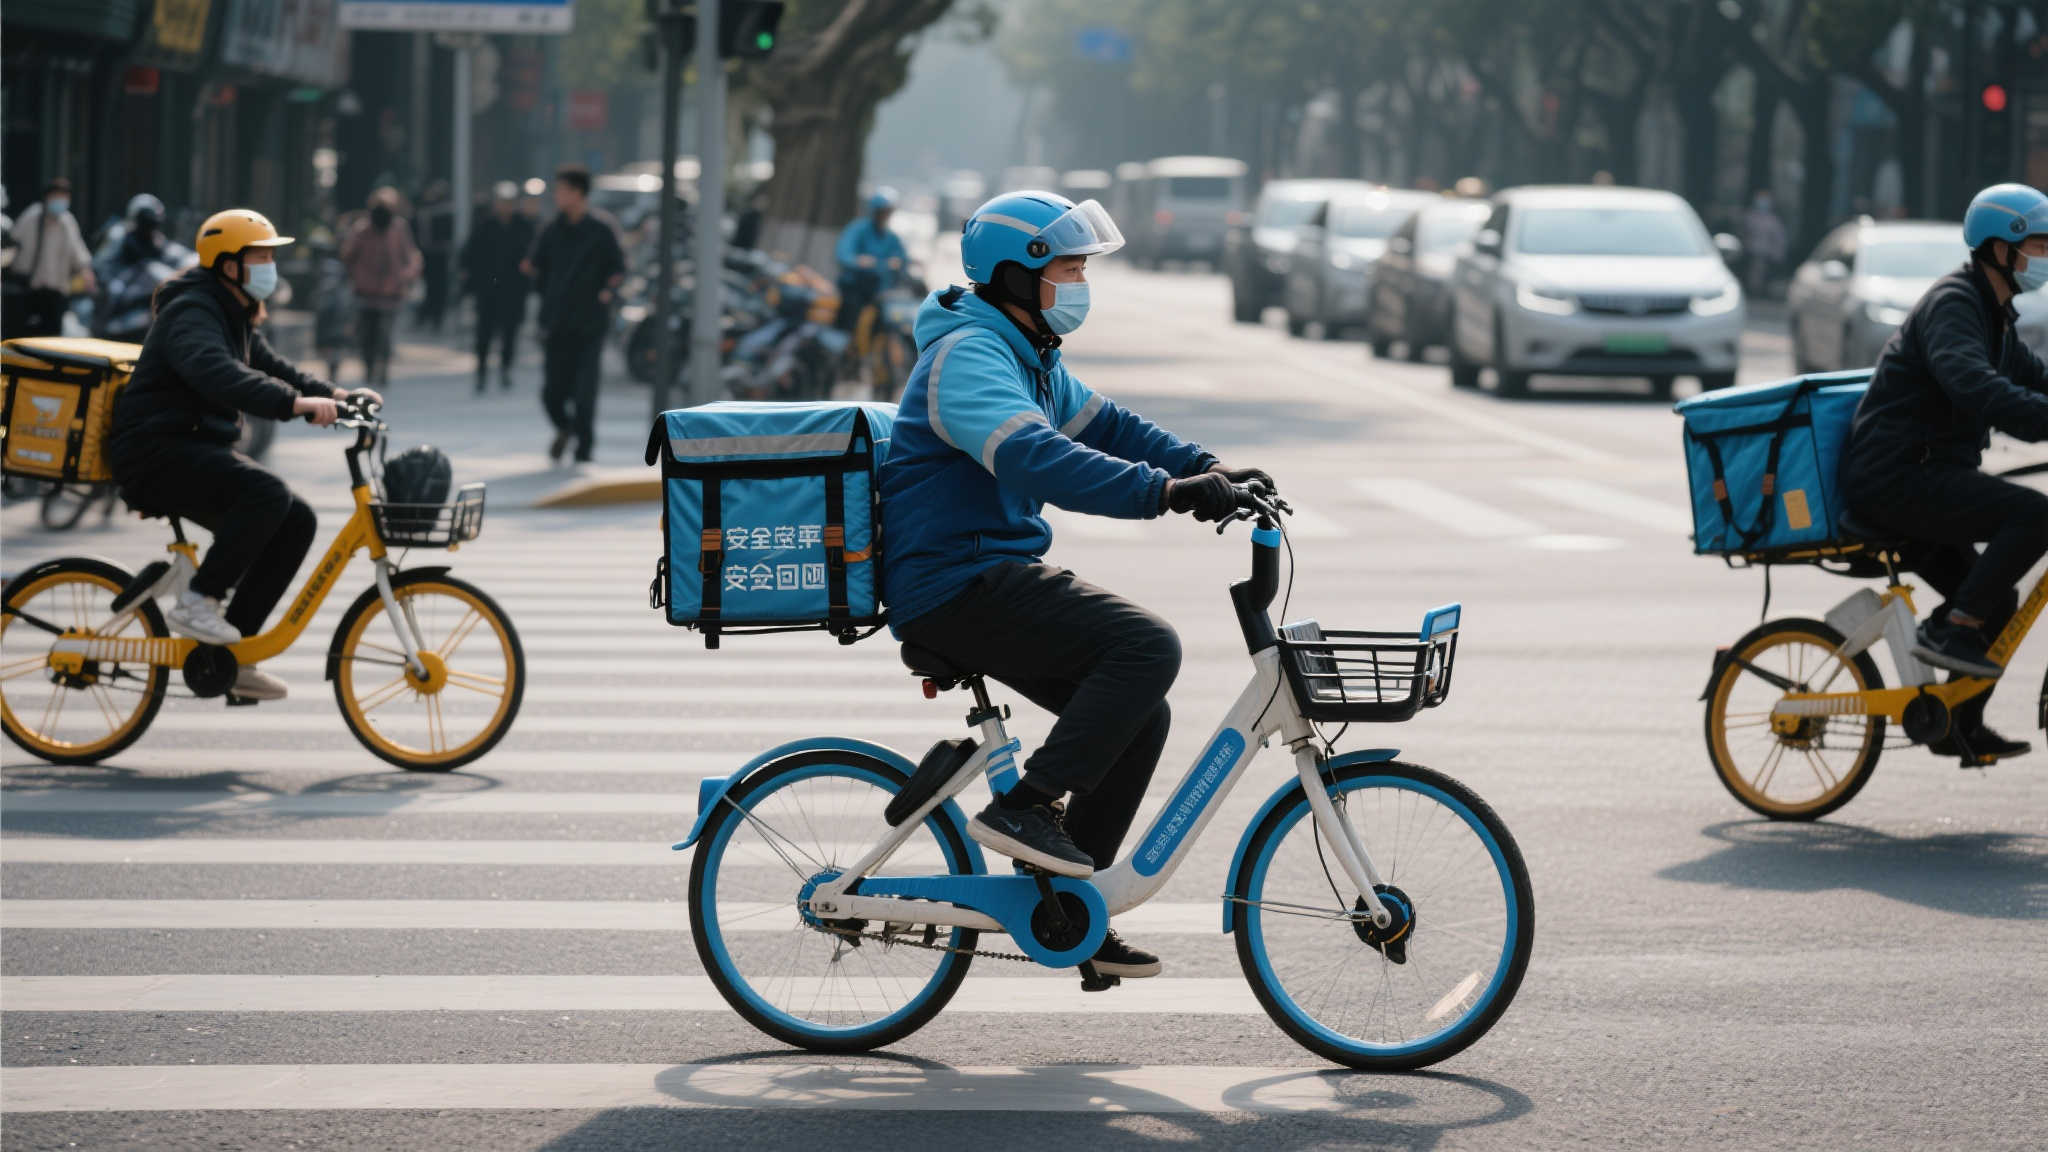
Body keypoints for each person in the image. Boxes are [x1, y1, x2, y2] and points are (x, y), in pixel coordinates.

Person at [879, 190, 1272, 979]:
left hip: (991, 571)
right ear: (1017, 276)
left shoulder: (1028, 354)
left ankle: (1068, 906)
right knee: (1145, 644)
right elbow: (1035, 457)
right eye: (1068, 267)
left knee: (1140, 716)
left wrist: (1203, 466)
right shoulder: (968, 358)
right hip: (951, 583)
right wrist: (1160, 493)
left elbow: (1112, 426)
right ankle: (1024, 809)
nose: (1079, 282)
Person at [107, 209, 380, 702]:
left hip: (188, 446)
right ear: (229, 264)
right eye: (261, 256)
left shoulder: (232, 311)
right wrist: (292, 404)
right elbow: (216, 372)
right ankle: (197, 601)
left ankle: (233, 659)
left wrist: (337, 396)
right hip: (155, 451)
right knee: (266, 493)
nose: (270, 265)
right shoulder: (192, 312)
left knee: (296, 520)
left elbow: (274, 366)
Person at [1840, 182, 2048, 763]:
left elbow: (2036, 380)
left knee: (1998, 600)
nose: (2044, 258)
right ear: (2000, 247)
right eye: (2038, 245)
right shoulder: (1955, 305)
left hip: (1926, 479)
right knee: (2035, 516)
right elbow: (1973, 385)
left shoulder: (1995, 314)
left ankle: (1960, 724)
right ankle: (1949, 625)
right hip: (1896, 479)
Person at [523, 164, 623, 464]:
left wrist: (608, 289)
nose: (557, 196)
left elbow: (618, 268)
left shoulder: (601, 230)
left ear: (578, 193)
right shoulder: (552, 230)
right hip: (556, 322)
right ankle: (565, 428)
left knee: (585, 391)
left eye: (562, 190)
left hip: (590, 323)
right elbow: (531, 264)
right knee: (552, 392)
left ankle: (584, 448)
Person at [341, 187, 421, 387]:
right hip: (365, 291)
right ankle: (368, 367)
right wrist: (355, 275)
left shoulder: (399, 228)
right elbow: (347, 255)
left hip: (391, 292)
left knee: (385, 332)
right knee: (367, 333)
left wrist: (407, 275)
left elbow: (411, 256)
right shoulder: (362, 229)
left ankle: (383, 367)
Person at [461, 182, 536, 394]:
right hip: (487, 289)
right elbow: (469, 254)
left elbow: (534, 255)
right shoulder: (485, 224)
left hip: (514, 289)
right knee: (484, 333)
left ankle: (505, 369)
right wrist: (468, 277)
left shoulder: (524, 226)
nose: (506, 206)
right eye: (502, 202)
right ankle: (481, 372)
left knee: (510, 333)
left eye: (509, 202)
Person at [94, 194, 197, 342]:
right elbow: (103, 266)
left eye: (152, 222)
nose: (149, 227)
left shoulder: (158, 241)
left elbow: (174, 256)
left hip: (146, 300)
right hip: (120, 299)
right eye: (146, 221)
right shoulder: (120, 238)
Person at [9, 179, 95, 337]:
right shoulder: (32, 216)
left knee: (52, 337)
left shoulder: (67, 221)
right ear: (47, 197)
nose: (60, 201)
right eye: (56, 196)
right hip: (31, 290)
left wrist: (86, 273)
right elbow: (13, 243)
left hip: (56, 293)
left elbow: (78, 251)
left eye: (64, 197)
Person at [834, 188, 909, 333]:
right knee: (850, 319)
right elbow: (843, 254)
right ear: (874, 211)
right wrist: (858, 261)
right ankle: (846, 348)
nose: (885, 215)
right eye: (882, 211)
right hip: (855, 287)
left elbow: (902, 258)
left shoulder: (891, 237)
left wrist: (903, 263)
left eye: (888, 211)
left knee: (890, 319)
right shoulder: (858, 229)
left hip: (880, 290)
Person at [414, 180, 456, 332]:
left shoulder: (442, 210)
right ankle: (427, 316)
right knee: (432, 288)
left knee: (436, 288)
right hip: (429, 255)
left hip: (438, 254)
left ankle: (432, 318)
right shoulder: (426, 210)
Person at [1742, 189, 1787, 299]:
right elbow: (1743, 232)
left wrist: (1778, 254)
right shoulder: (1749, 217)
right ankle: (1750, 290)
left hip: (1765, 253)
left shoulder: (1772, 220)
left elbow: (1779, 239)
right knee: (1752, 272)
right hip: (1749, 251)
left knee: (1759, 273)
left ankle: (1758, 291)